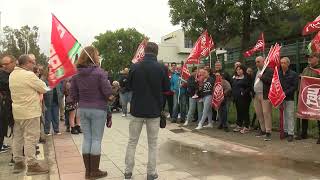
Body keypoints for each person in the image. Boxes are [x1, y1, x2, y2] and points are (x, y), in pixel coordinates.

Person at [124, 42, 169, 180]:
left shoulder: (135, 67)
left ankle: (128, 171)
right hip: (154, 110)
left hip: (137, 109)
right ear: (156, 52)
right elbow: (166, 89)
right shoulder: (162, 68)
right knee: (153, 144)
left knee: (132, 141)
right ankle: (151, 173)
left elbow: (128, 86)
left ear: (145, 51)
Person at [70, 46, 112, 179]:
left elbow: (73, 94)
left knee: (87, 139)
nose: (99, 57)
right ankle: (94, 171)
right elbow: (107, 93)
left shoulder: (76, 75)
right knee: (96, 140)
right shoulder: (100, 73)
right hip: (98, 109)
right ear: (93, 56)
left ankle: (88, 171)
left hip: (83, 109)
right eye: (97, 55)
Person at [9, 54, 49, 175]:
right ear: (26, 63)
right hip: (30, 112)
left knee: (18, 137)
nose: (34, 64)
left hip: (17, 112)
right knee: (31, 138)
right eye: (32, 62)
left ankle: (18, 163)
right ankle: (32, 165)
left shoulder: (12, 74)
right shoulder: (29, 75)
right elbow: (43, 88)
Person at [296, 52, 320, 144]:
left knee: (318, 116)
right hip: (306, 95)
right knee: (304, 114)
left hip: (317, 97)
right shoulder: (306, 69)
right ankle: (303, 133)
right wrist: (301, 77)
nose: (309, 59)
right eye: (308, 57)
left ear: (317, 58)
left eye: (311, 57)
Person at [279, 57, 298, 142]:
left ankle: (291, 133)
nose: (282, 64)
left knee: (290, 115)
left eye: (284, 63)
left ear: (288, 64)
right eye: (281, 63)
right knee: (283, 115)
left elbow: (294, 87)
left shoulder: (293, 74)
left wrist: (285, 93)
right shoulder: (278, 74)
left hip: (289, 98)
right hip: (280, 99)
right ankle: (285, 131)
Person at [0, 55, 16, 154]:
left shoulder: (14, 74)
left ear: (13, 63)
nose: (4, 66)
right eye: (3, 64)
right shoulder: (2, 75)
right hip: (4, 108)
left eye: (6, 64)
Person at [255, 56, 274, 141]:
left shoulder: (269, 70)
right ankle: (262, 130)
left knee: (266, 113)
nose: (257, 63)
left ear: (263, 61)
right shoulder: (257, 71)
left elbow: (271, 81)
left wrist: (262, 77)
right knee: (259, 113)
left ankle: (268, 131)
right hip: (256, 95)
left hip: (265, 95)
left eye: (258, 61)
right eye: (256, 62)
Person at [232, 65, 252, 134]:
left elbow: (249, 87)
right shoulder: (235, 77)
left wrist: (244, 92)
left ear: (243, 70)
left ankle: (247, 126)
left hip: (244, 98)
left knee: (244, 111)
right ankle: (239, 125)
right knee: (239, 111)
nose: (238, 71)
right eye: (237, 69)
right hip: (237, 98)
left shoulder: (246, 77)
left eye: (240, 69)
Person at [43, 69, 63, 135]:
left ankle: (56, 130)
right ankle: (47, 131)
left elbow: (61, 89)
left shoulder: (58, 81)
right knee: (47, 117)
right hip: (47, 101)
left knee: (56, 116)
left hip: (56, 101)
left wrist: (60, 95)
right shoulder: (44, 81)